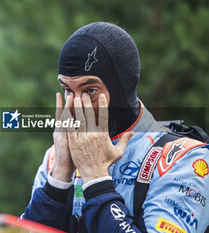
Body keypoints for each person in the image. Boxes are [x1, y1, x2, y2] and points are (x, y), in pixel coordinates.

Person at [21, 22, 209, 233]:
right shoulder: (55, 158)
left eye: (90, 90)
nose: (74, 105)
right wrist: (58, 180)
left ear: (121, 89)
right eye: (67, 89)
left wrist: (96, 178)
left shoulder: (185, 160)